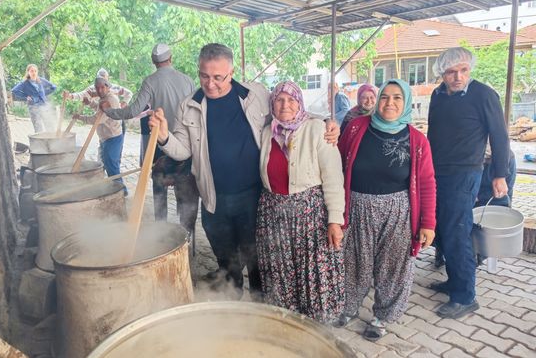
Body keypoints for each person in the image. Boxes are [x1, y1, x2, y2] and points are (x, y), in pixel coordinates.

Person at [148, 43, 340, 299]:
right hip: (214, 200)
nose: (211, 83)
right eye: (204, 76)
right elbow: (182, 150)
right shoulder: (189, 105)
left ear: (231, 71)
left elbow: (288, 109)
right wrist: (163, 136)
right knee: (227, 263)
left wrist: (326, 121)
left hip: (256, 200)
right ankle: (233, 307)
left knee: (260, 262)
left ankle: (261, 309)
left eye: (218, 77)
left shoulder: (255, 94)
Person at [337, 79, 436, 340]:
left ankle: (382, 317)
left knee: (393, 266)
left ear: (405, 103)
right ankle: (347, 307)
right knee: (353, 261)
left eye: (396, 98)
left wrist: (428, 223)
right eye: (384, 97)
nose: (389, 103)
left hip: (398, 211)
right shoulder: (357, 128)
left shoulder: (416, 140)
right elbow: (337, 162)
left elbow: (426, 182)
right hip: (357, 207)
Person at [427, 47, 509, 319]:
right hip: (437, 172)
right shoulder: (437, 96)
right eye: (451, 72)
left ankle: (465, 296)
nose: (457, 76)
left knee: (457, 230)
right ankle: (454, 280)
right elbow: (432, 133)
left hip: (465, 173)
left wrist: (499, 175)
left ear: (470, 69)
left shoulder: (484, 94)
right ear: (443, 73)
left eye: (463, 70)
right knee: (444, 228)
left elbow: (499, 136)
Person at [256, 81, 345, 323]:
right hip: (274, 216)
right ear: (272, 103)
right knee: (281, 273)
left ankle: (315, 328)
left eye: (291, 100)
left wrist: (335, 220)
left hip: (310, 216)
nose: (285, 105)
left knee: (312, 274)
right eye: (279, 100)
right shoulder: (267, 132)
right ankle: (288, 324)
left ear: (300, 103)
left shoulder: (318, 129)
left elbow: (334, 177)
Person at [102, 44, 199, 238]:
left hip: (162, 148)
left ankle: (160, 233)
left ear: (154, 62)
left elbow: (133, 111)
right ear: (171, 57)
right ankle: (188, 238)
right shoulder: (188, 81)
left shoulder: (150, 81)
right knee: (187, 198)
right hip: (187, 148)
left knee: (159, 187)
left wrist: (109, 111)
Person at [74, 77, 127, 193]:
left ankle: (121, 192)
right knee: (107, 164)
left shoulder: (110, 99)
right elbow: (99, 108)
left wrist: (80, 117)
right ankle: (114, 189)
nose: (100, 90)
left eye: (102, 87)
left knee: (112, 166)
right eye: (97, 88)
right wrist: (89, 103)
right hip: (106, 138)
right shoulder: (104, 98)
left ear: (107, 87)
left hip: (112, 137)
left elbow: (97, 119)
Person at [11, 64, 57, 133]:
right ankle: (39, 143)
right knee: (38, 128)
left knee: (49, 126)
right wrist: (26, 96)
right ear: (28, 72)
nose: (34, 73)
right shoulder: (25, 83)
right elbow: (14, 90)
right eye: (32, 71)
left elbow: (53, 87)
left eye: (35, 71)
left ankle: (52, 142)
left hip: (43, 105)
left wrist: (44, 93)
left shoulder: (41, 80)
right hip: (33, 107)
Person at [63, 68, 133, 108]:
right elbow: (81, 95)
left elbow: (129, 93)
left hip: (116, 120)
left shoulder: (115, 87)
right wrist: (70, 96)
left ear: (107, 79)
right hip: (101, 118)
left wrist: (123, 104)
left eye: (103, 79)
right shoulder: (92, 89)